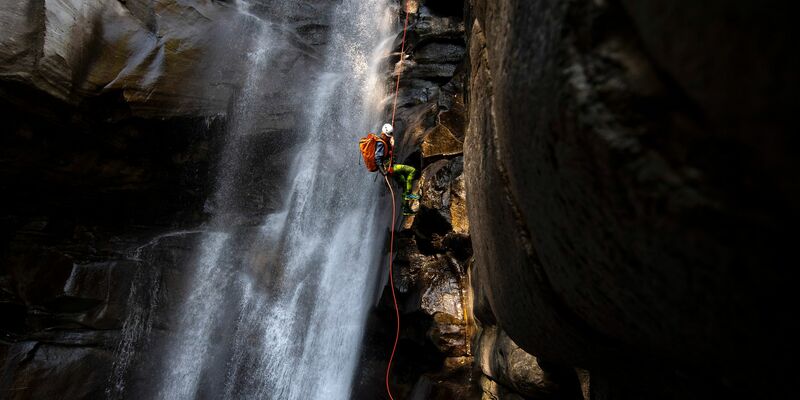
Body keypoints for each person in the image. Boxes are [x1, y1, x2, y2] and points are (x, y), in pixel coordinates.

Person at [375, 123, 419, 214]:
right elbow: (377, 158)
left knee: (404, 183)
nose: (389, 138)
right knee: (412, 170)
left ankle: (405, 208)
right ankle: (408, 195)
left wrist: (391, 144)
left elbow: (387, 153)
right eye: (388, 136)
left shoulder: (385, 141)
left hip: (390, 167)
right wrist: (383, 171)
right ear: (383, 134)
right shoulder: (380, 143)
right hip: (389, 169)